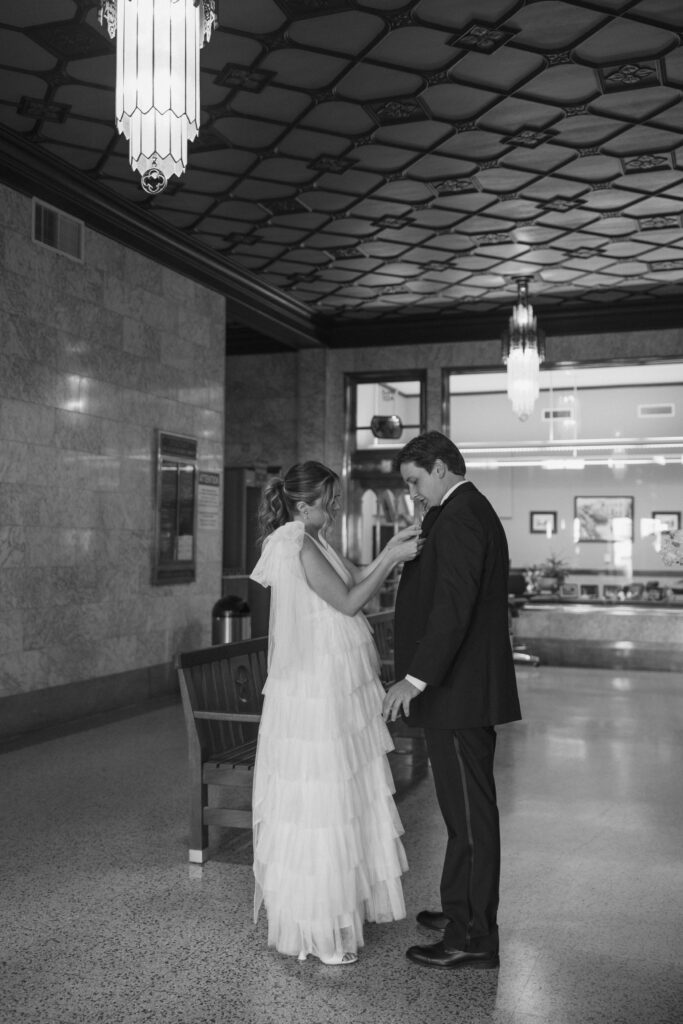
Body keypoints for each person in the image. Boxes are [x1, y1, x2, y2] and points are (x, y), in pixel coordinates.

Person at [250, 461, 422, 966]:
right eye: (328, 500)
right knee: (319, 801)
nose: (335, 507)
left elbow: (354, 577)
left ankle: (337, 909)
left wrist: (390, 552)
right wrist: (391, 558)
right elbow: (348, 601)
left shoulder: (316, 538)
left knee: (342, 793)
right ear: (303, 505)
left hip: (334, 682)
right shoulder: (295, 542)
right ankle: (315, 926)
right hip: (315, 689)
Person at [381, 431, 521, 970]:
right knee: (461, 813)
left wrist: (413, 679)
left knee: (470, 816)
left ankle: (474, 936)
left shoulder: (462, 513)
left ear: (441, 468)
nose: (413, 493)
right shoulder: (456, 509)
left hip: (458, 692)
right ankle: (461, 908)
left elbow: (454, 607)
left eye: (415, 481)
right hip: (455, 691)